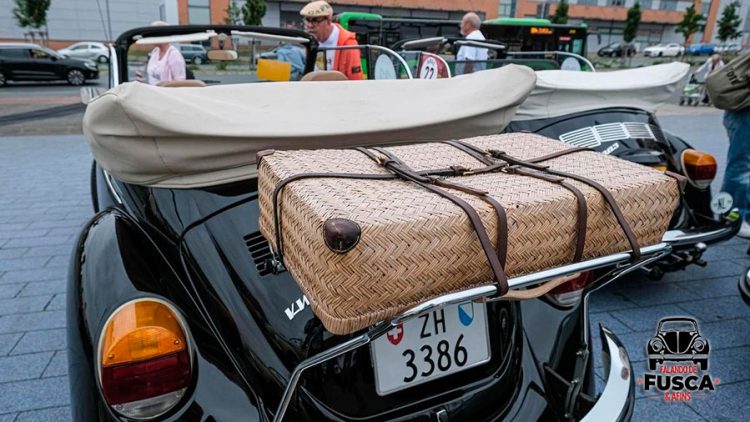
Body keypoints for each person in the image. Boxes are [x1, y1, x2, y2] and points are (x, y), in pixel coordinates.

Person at [300, 1, 363, 80]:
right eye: (307, 20)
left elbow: (356, 80)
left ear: (329, 20)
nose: (310, 25)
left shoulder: (348, 44)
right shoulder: (309, 42)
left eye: (315, 20)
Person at [138, 21, 186, 85]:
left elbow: (180, 82)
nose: (151, 38)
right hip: (153, 90)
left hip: (165, 91)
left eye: (153, 35)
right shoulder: (155, 51)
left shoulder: (174, 55)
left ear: (161, 35)